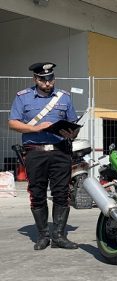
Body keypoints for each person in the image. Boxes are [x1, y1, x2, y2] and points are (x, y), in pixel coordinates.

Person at [8, 62, 80, 250]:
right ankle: (43, 236)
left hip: (60, 151)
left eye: (50, 79)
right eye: (43, 79)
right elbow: (13, 123)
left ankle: (58, 236)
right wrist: (35, 128)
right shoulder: (22, 97)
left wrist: (72, 133)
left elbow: (73, 123)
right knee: (37, 193)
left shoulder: (65, 97)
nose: (47, 83)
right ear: (35, 79)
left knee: (61, 193)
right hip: (35, 152)